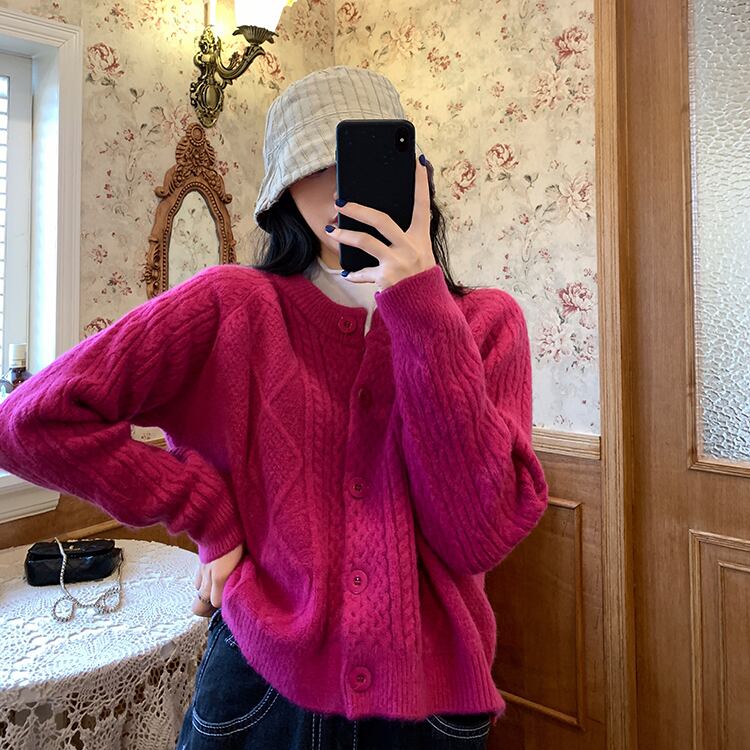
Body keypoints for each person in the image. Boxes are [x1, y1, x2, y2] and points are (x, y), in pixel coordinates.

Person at [0, 65, 549, 749]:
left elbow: (477, 536)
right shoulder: (232, 305)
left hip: (430, 708)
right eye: (320, 162)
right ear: (284, 186)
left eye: (365, 157)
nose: (344, 184)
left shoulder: (486, 323)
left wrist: (419, 303)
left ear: (414, 174)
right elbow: (29, 422)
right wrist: (206, 511)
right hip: (258, 689)